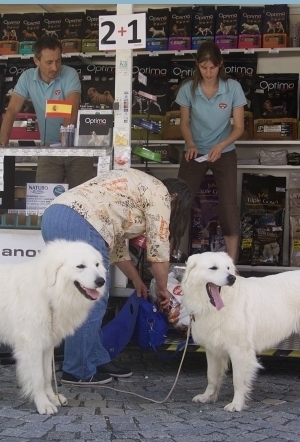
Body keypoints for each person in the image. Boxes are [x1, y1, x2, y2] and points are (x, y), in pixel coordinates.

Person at [41, 168, 193, 385]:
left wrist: (137, 280)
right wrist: (162, 289)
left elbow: (117, 248)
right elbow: (159, 251)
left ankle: (96, 359)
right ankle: (77, 370)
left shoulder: (136, 190)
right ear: (175, 197)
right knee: (91, 299)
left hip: (55, 215)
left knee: (81, 297)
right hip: (82, 221)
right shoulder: (160, 193)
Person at [176, 41, 246, 262]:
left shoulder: (232, 87)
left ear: (220, 65)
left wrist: (221, 145)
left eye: (212, 68)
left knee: (228, 206)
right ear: (197, 65)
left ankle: (231, 264)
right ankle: (167, 257)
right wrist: (191, 144)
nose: (208, 72)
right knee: (179, 202)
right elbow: (185, 123)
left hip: (224, 151)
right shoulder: (188, 88)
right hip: (194, 151)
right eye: (203, 67)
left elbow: (239, 127)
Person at [0, 36, 96, 189]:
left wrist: (63, 146)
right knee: (43, 198)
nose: (55, 67)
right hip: (48, 149)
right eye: (49, 62)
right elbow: (11, 110)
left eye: (58, 61)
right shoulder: (27, 77)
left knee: (81, 201)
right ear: (36, 61)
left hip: (77, 149)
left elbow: (71, 109)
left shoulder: (69, 74)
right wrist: (2, 144)